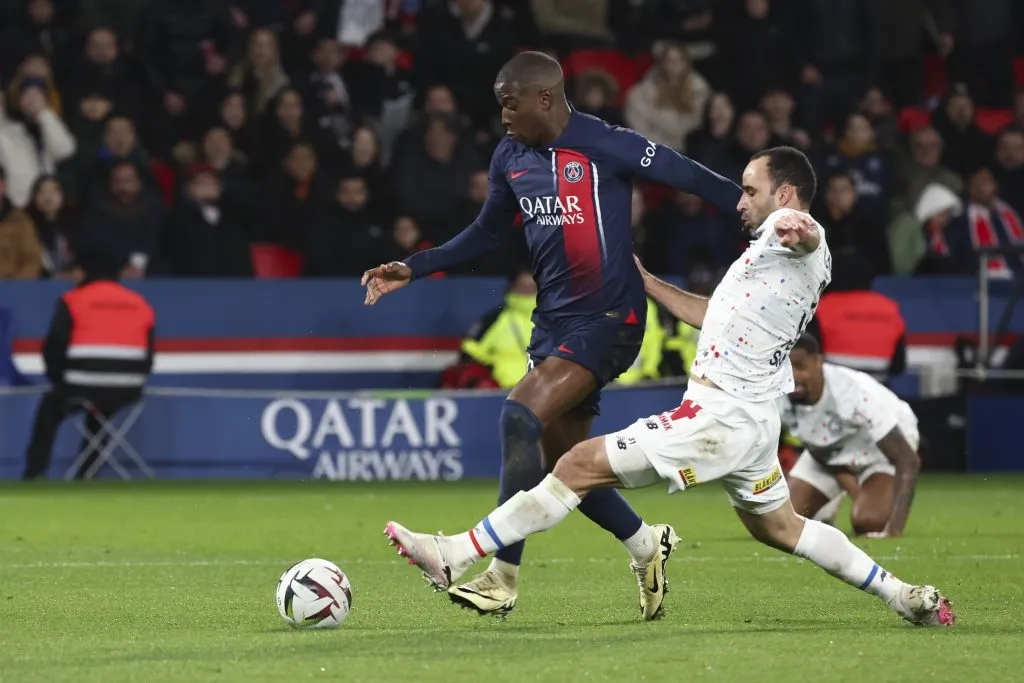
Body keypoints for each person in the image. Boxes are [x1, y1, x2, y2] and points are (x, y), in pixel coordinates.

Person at [384, 147, 956, 628]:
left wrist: (800, 227)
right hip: (752, 420)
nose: (739, 201)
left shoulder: (796, 240)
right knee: (780, 528)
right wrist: (648, 281)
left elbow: (806, 239)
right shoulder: (763, 259)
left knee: (575, 462)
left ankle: (456, 553)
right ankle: (900, 595)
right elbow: (715, 314)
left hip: (719, 417)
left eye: (750, 191)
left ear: (784, 195)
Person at [363, 51, 744, 620]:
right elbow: (485, 233)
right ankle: (646, 543)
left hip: (612, 318)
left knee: (518, 415)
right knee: (563, 460)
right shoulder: (509, 156)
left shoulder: (606, 142)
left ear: (545, 98)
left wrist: (757, 217)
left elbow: (686, 175)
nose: (504, 117)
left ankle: (498, 574)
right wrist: (415, 266)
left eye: (510, 105)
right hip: (555, 323)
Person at [23, 244, 155, 480]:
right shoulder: (139, 303)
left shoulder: (73, 299)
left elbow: (54, 347)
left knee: (49, 410)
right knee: (101, 411)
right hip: (128, 388)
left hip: (80, 384)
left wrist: (58, 378)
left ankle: (34, 474)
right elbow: (148, 355)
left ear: (83, 272)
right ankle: (87, 473)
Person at [780, 334, 921, 538]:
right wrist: (856, 492)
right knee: (782, 518)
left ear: (818, 362)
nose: (792, 377)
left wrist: (894, 529)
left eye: (799, 366)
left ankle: (864, 500)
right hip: (832, 450)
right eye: (785, 369)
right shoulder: (778, 395)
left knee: (868, 523)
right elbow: (817, 448)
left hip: (880, 448)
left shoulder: (853, 395)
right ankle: (826, 507)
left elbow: (908, 460)